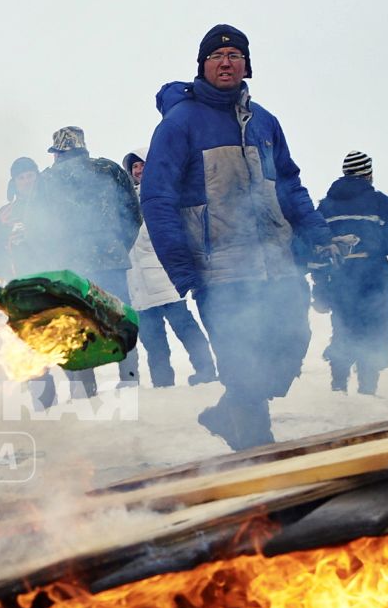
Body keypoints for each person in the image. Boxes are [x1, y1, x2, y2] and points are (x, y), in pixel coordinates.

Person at [139, 24, 328, 450]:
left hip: (277, 262)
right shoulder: (179, 124)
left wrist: (316, 231)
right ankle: (258, 460)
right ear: (202, 65)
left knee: (291, 345)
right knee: (243, 368)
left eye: (235, 55)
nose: (227, 63)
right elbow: (156, 199)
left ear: (247, 64)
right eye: (217, 56)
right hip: (219, 270)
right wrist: (183, 270)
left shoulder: (264, 121)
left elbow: (289, 183)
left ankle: (229, 414)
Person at [30, 126, 143, 389]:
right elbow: (133, 214)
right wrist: (118, 246)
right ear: (84, 148)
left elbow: (37, 228)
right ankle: (130, 380)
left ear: (57, 153)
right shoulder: (109, 169)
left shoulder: (46, 181)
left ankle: (84, 388)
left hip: (72, 267)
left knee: (78, 326)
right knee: (120, 318)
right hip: (111, 261)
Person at [313, 152, 388, 395]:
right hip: (374, 279)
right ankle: (367, 391)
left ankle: (338, 388)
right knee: (374, 330)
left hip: (339, 278)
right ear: (368, 174)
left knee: (343, 328)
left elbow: (317, 246)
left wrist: (319, 283)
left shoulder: (325, 207)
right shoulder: (382, 204)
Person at [121, 151, 218, 389]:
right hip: (139, 283)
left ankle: (206, 373)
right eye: (135, 166)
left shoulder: (163, 194)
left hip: (164, 277)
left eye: (143, 164)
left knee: (185, 328)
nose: (139, 170)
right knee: (153, 340)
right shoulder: (127, 200)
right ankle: (163, 385)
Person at [0, 157, 40, 284]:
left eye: (30, 176)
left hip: (50, 278)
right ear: (14, 183)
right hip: (17, 282)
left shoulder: (51, 204)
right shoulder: (6, 213)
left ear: (37, 177)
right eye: (21, 178)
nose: (27, 181)